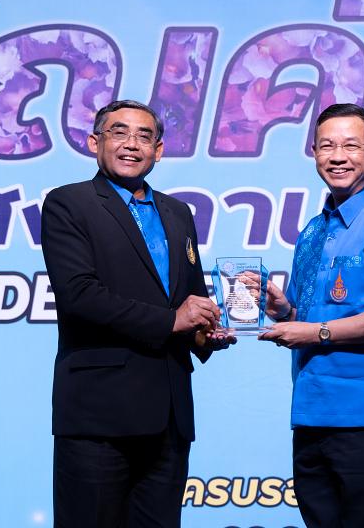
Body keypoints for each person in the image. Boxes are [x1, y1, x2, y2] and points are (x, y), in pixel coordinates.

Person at [41, 100, 230, 528]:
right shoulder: (69, 203)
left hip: (169, 415)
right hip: (99, 413)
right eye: (119, 132)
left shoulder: (178, 213)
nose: (131, 144)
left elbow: (189, 298)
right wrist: (173, 321)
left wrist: (205, 333)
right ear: (94, 143)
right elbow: (79, 295)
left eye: (144, 136)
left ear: (158, 150)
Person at [259, 103, 364, 527]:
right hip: (311, 411)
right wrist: (283, 311)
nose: (338, 157)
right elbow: (308, 317)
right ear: (314, 152)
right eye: (327, 146)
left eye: (351, 146)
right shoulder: (312, 231)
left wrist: (315, 332)